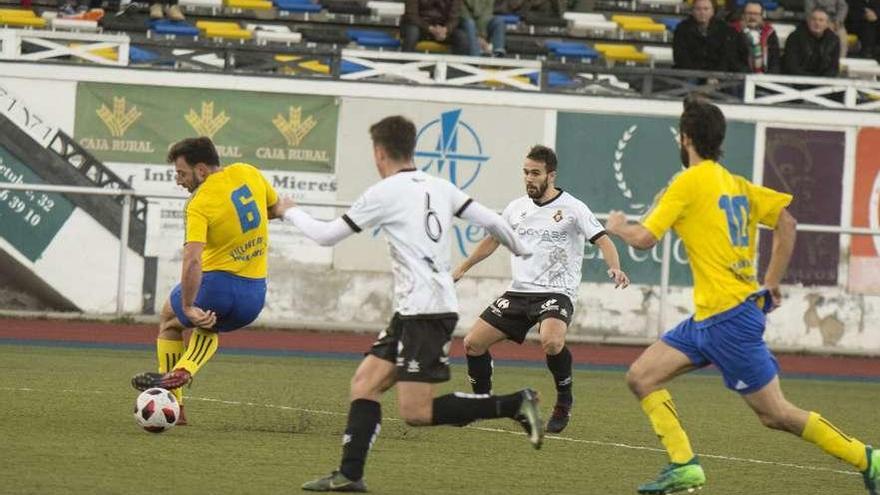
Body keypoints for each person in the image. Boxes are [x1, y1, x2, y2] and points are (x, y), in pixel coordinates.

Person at [604, 97, 879, 494]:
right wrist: (771, 282)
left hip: (728, 320)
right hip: (709, 319)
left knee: (776, 414)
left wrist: (618, 226)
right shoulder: (735, 184)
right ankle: (684, 465)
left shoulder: (688, 182)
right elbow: (787, 221)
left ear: (685, 139)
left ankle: (868, 459)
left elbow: (645, 239)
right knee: (641, 377)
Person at [278, 116, 544, 493]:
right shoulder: (440, 186)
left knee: (416, 412)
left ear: (379, 152)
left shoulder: (384, 192)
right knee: (365, 383)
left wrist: (287, 210)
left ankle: (515, 403)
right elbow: (495, 222)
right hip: (414, 310)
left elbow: (325, 236)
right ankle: (350, 475)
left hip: (427, 311)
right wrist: (524, 249)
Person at [452, 145, 630, 434]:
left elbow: (603, 240)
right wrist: (463, 267)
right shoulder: (516, 208)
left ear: (551, 175)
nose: (529, 178)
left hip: (556, 292)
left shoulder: (573, 207)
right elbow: (492, 240)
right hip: (519, 292)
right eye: (525, 172)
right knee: (472, 343)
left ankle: (563, 402)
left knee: (551, 341)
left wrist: (615, 267)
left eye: (535, 173)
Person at [130, 137, 281, 424]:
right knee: (208, 324)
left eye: (181, 173)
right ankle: (185, 369)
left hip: (217, 287)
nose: (178, 181)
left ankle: (175, 401)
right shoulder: (248, 172)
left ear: (201, 170)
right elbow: (273, 209)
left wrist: (187, 306)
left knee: (171, 320)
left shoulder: (199, 202)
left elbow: (193, 260)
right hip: (253, 296)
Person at [673, 0, 745, 72]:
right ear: (692, 11)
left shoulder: (724, 29)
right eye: (698, 9)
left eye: (706, 9)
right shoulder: (682, 29)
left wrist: (715, 75)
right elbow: (680, 56)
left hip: (717, 75)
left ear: (713, 11)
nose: (702, 12)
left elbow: (726, 56)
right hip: (689, 74)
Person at [782, 8, 841, 76]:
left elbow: (833, 67)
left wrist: (821, 81)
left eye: (821, 20)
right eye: (814, 19)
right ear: (808, 21)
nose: (817, 23)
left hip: (823, 82)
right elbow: (791, 66)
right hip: (797, 81)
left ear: (827, 24)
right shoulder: (794, 37)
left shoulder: (834, 40)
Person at [402, 0, 470, 54]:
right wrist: (431, 29)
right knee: (412, 32)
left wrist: (445, 29)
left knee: (461, 37)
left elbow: (454, 18)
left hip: (442, 29)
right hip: (420, 27)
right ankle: (405, 65)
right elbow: (411, 15)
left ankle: (457, 69)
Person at [732, 0, 782, 73]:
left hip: (765, 79)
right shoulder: (733, 31)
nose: (752, 17)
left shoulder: (770, 33)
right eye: (749, 13)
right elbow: (733, 60)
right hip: (740, 78)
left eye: (756, 14)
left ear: (761, 16)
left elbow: (775, 60)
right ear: (743, 15)